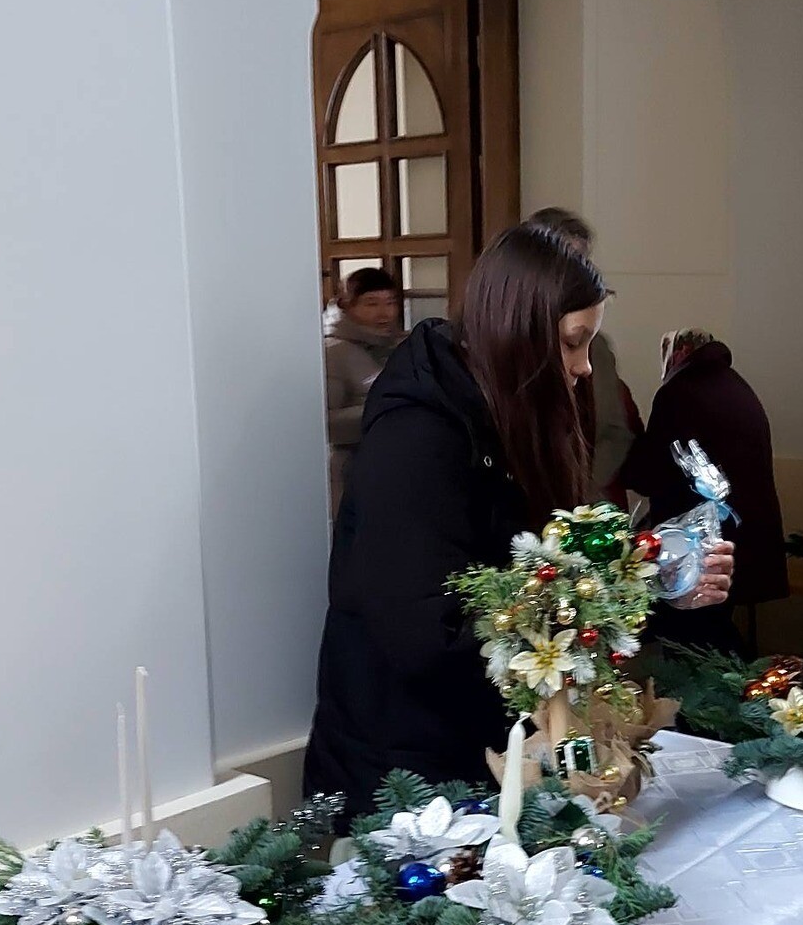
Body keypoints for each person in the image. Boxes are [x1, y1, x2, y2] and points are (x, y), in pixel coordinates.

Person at [305, 222, 733, 817]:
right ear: (516, 334)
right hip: (407, 768)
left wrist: (653, 576)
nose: (584, 367)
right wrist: (614, 597)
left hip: (479, 742)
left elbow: (549, 565)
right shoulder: (418, 439)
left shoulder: (507, 415)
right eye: (573, 343)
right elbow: (429, 635)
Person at [620, 328, 788, 651]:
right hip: (747, 537)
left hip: (701, 544)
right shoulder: (736, 385)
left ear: (681, 353)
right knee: (714, 629)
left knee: (690, 637)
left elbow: (648, 473)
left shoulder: (679, 392)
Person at [525, 206, 641, 498]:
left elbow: (614, 434)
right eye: (567, 264)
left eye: (583, 262)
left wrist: (579, 493)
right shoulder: (504, 342)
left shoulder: (595, 349)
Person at [324, 268, 405, 516]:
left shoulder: (403, 346)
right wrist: (389, 410)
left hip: (400, 470)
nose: (384, 313)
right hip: (352, 474)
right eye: (371, 303)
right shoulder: (332, 353)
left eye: (390, 302)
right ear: (346, 305)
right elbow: (324, 423)